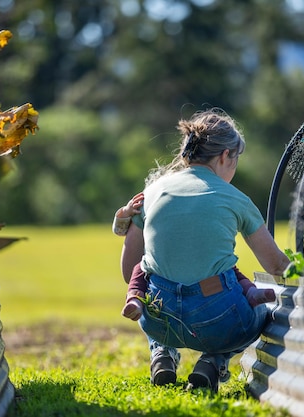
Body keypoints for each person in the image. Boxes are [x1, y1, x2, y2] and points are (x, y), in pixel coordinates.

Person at [120, 108, 290, 392]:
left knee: (154, 284)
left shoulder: (151, 191)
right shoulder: (236, 198)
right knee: (262, 313)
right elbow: (276, 267)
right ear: (225, 156)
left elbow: (130, 272)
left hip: (160, 320)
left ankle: (162, 352)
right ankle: (213, 360)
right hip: (218, 318)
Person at [113, 193, 277, 320]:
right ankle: (252, 292)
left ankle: (135, 299)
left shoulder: (163, 202)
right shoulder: (150, 200)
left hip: (171, 266)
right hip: (175, 263)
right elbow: (119, 230)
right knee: (232, 273)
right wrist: (125, 213)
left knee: (140, 272)